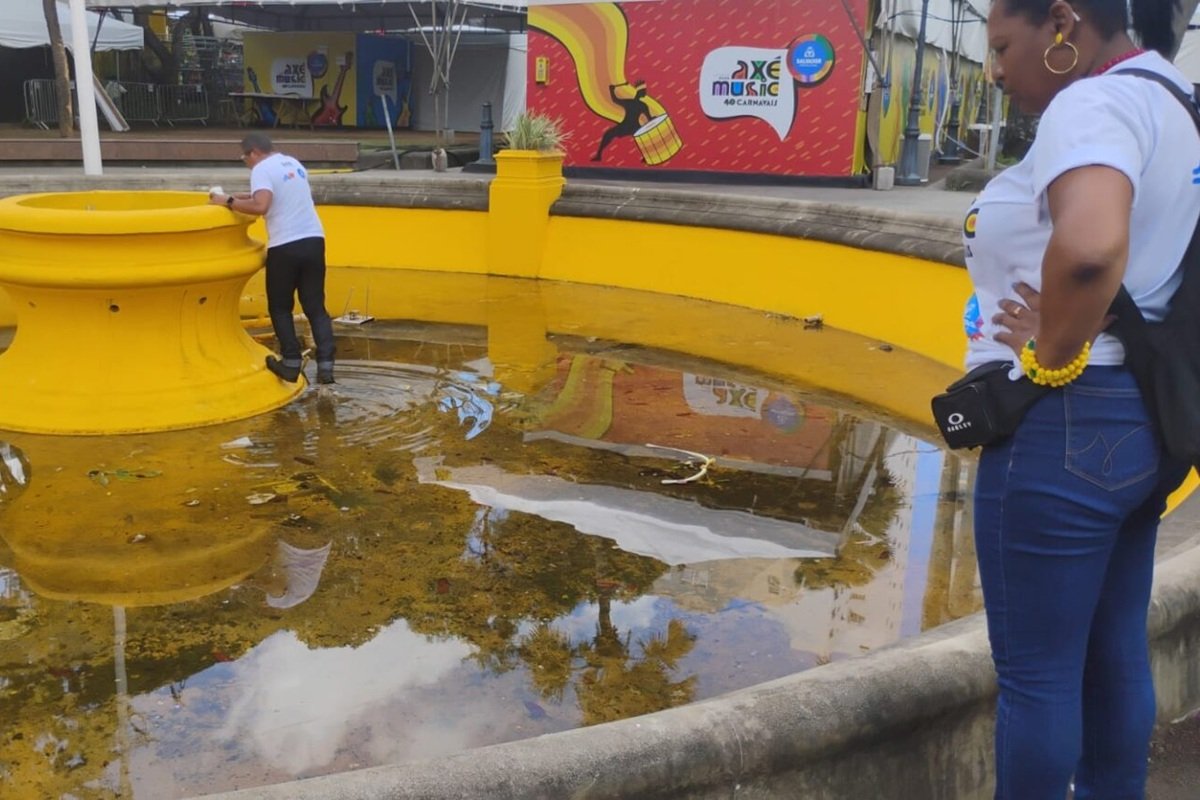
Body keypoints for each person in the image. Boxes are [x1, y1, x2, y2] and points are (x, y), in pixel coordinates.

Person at [963, 1, 1196, 797]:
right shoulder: (1173, 99)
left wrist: (1048, 358)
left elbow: (1091, 248)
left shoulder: (1092, 102)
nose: (995, 71)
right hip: (1142, 422)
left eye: (1003, 45)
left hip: (1064, 428)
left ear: (1062, 23)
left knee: (1036, 678)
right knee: (1113, 652)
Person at [210, 133, 335, 384]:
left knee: (280, 307)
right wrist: (245, 195)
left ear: (254, 152)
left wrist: (228, 201)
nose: (245, 162)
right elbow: (277, 195)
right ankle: (326, 367)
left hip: (285, 245)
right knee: (315, 307)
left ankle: (290, 363)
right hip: (314, 240)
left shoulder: (261, 169)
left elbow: (261, 207)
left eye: (244, 157)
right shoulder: (292, 163)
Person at [591, 81, 651, 162]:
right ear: (640, 92)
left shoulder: (631, 103)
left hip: (627, 126)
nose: (645, 93)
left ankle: (598, 155)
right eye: (644, 91)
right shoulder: (642, 105)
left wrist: (612, 90)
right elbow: (649, 118)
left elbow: (615, 99)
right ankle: (598, 155)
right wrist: (612, 90)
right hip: (633, 126)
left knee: (608, 134)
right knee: (608, 134)